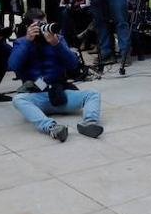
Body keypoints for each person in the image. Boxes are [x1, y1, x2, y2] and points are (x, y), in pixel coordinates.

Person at [8, 9, 103, 141]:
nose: (43, 29)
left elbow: (73, 64)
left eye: (44, 24)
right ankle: (52, 127)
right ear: (28, 27)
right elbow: (12, 65)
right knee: (18, 100)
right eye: (38, 26)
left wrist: (56, 44)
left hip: (59, 93)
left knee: (92, 94)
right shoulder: (21, 42)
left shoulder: (57, 39)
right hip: (37, 97)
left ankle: (90, 124)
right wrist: (28, 41)